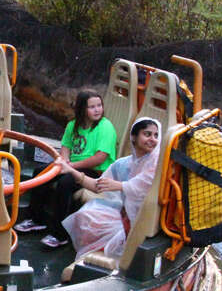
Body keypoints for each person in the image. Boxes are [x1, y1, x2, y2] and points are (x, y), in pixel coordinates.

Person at [15, 91, 117, 249]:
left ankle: (60, 235)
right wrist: (64, 162)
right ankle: (36, 220)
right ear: (82, 109)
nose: (97, 110)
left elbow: (100, 158)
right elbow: (65, 149)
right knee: (40, 172)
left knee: (65, 183)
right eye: (92, 107)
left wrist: (70, 167)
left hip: (95, 171)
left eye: (99, 106)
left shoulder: (106, 127)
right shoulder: (72, 125)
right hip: (72, 166)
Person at [61, 117, 161, 261]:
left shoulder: (156, 164)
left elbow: (143, 185)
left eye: (156, 135)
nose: (153, 139)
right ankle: (89, 258)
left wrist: (121, 186)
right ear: (133, 137)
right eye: (147, 134)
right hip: (125, 213)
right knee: (86, 216)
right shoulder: (122, 164)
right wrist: (70, 170)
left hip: (144, 219)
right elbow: (97, 186)